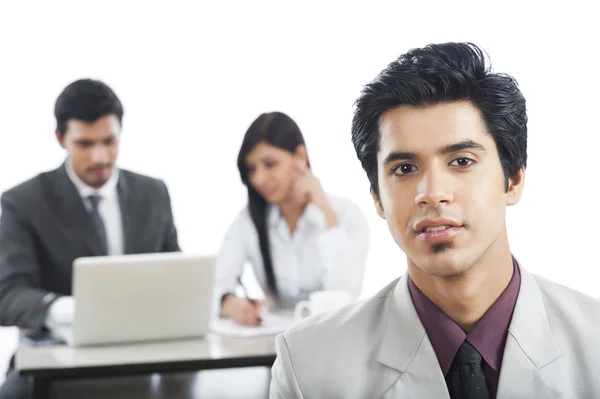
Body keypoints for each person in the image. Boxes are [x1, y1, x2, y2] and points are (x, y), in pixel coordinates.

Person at [269, 42, 600, 398]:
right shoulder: (307, 365)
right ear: (378, 198)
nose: (432, 193)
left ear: (514, 179)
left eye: (461, 161)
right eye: (404, 168)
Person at [0, 79, 180, 398]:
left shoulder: (152, 194)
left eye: (109, 141)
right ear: (61, 139)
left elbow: (176, 273)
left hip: (142, 354)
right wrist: (69, 309)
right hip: (57, 358)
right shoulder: (23, 203)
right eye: (85, 144)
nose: (99, 156)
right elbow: (8, 295)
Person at [215, 112, 369, 326]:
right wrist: (230, 304)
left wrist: (327, 215)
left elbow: (344, 296)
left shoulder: (346, 215)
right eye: (251, 169)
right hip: (274, 346)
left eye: (270, 164)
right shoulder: (248, 221)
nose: (258, 179)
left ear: (300, 156)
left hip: (330, 338)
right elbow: (215, 286)